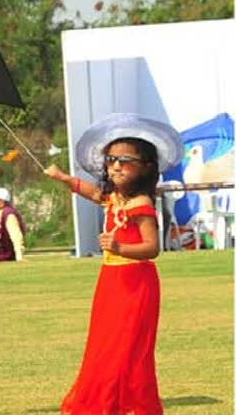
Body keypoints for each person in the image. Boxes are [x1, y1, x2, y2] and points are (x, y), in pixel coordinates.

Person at [44, 113, 183, 415]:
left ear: (145, 167)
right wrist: (64, 179)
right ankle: (107, 401)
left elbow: (152, 248)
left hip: (136, 283)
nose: (116, 165)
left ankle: (129, 403)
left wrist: (121, 246)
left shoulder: (141, 204)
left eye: (125, 160)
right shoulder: (114, 197)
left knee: (126, 348)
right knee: (103, 343)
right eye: (111, 160)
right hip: (111, 280)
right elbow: (94, 193)